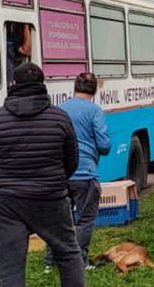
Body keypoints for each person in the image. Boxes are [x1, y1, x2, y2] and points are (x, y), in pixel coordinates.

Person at [0, 62, 107, 287]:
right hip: (49, 197)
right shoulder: (58, 119)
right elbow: (70, 161)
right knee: (68, 251)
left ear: (13, 85)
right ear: (43, 85)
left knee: (10, 269)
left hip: (4, 203)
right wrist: (52, 180)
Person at [44, 72, 111, 269]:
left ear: (74, 87)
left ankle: (51, 259)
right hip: (85, 173)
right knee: (85, 219)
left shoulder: (60, 110)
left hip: (61, 174)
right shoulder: (94, 111)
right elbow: (104, 145)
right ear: (95, 90)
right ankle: (79, 260)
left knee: (58, 219)